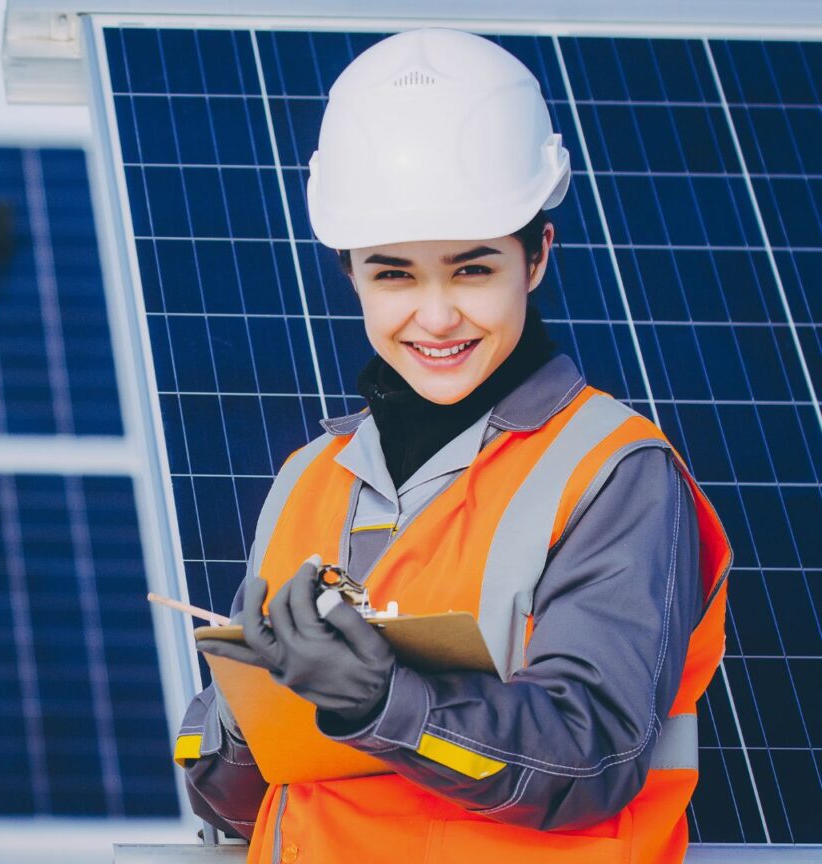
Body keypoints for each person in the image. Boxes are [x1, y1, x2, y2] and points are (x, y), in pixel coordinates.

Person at [176, 28, 731, 864]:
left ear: (537, 256)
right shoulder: (306, 480)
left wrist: (379, 703)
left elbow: (596, 757)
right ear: (350, 271)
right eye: (394, 274)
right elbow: (233, 801)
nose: (435, 318)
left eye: (473, 270)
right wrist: (249, 710)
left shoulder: (613, 472)